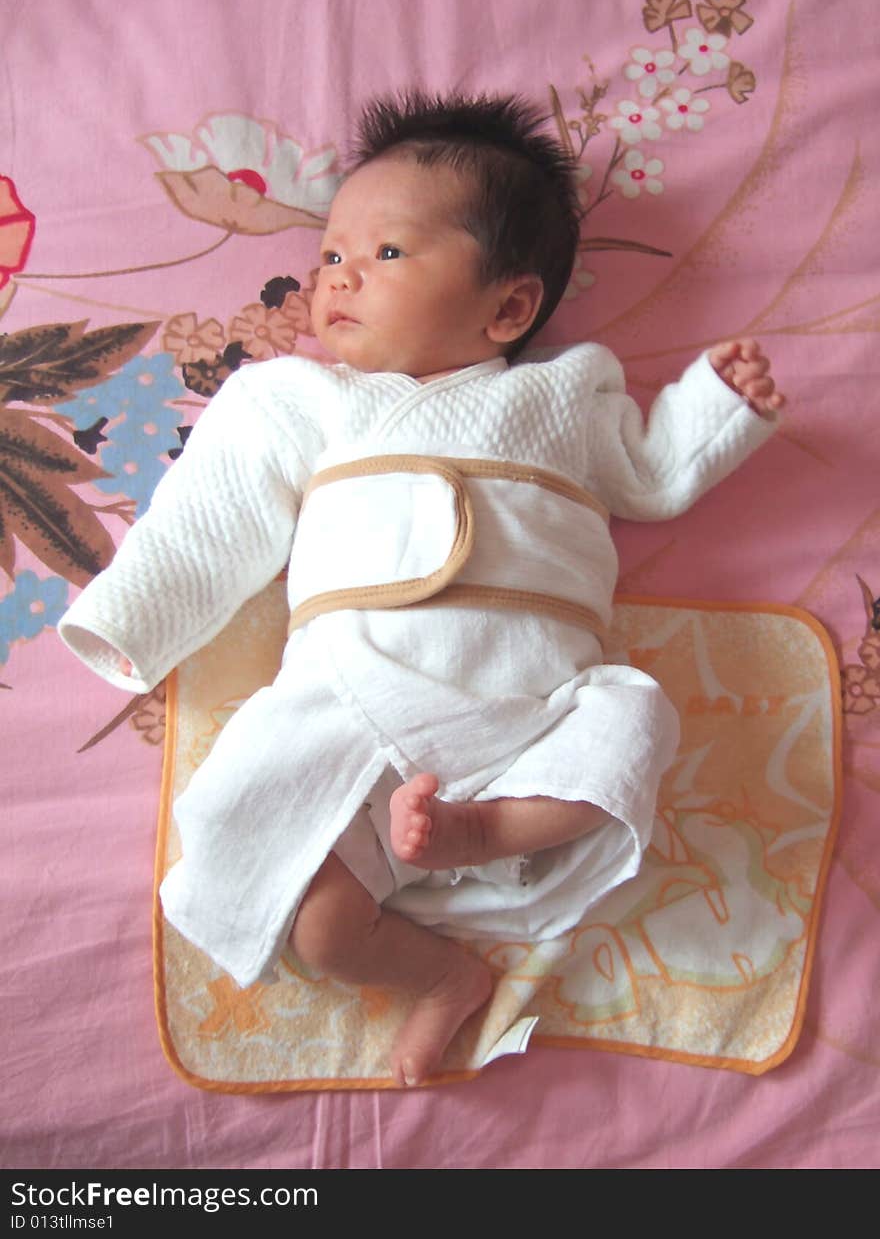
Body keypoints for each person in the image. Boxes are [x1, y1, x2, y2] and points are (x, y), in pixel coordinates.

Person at [59, 92, 784, 1088]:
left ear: (509, 306)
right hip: (355, 705)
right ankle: (442, 979)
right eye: (329, 255)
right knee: (298, 897)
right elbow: (210, 513)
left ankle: (489, 832)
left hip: (535, 711)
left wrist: (715, 407)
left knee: (635, 722)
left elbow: (650, 475)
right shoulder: (298, 399)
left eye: (388, 254)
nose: (340, 274)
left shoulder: (565, 392)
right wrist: (131, 615)